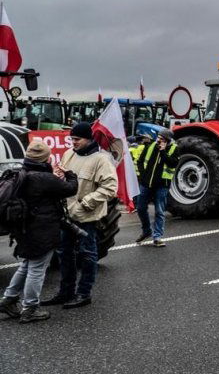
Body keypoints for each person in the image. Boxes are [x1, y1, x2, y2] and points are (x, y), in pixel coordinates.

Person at [0, 140, 78, 323]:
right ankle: (30, 308)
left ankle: (9, 299)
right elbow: (70, 189)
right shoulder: (44, 178)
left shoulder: (21, 174)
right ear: (46, 158)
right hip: (41, 230)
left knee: (27, 265)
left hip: (23, 228)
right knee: (37, 269)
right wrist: (70, 174)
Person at [41, 122, 118, 309]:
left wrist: (87, 203)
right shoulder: (69, 154)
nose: (72, 142)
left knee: (87, 254)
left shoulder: (102, 160)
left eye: (77, 139)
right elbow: (62, 176)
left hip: (86, 217)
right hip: (66, 215)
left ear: (89, 139)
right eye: (71, 139)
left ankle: (84, 293)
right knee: (64, 254)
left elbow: (110, 187)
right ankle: (65, 292)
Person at [136, 129, 178, 247]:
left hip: (162, 185)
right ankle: (146, 230)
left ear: (168, 141)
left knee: (159, 211)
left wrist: (163, 152)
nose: (159, 140)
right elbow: (140, 161)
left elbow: (172, 164)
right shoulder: (150, 146)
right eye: (158, 137)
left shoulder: (174, 149)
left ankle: (157, 236)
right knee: (140, 208)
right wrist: (143, 175)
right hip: (146, 183)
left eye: (162, 139)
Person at [130, 133, 154, 243]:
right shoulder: (144, 148)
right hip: (143, 177)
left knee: (158, 209)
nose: (143, 141)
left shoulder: (135, 148)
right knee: (141, 206)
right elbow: (139, 161)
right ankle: (147, 231)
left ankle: (155, 234)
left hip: (142, 176)